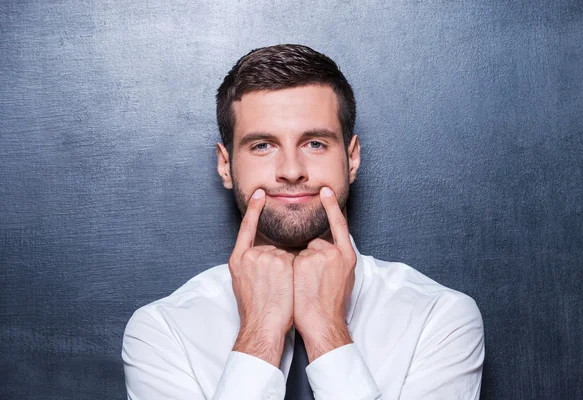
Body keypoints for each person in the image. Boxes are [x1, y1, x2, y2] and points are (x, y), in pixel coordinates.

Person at [122, 44, 485, 400]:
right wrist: (259, 331)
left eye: (314, 143)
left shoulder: (438, 319)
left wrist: (327, 330)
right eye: (262, 145)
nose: (292, 171)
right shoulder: (162, 332)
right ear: (225, 165)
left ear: (352, 158)